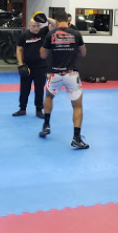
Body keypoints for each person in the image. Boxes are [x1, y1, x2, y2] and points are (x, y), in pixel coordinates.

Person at [39, 10, 89, 149]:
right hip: (71, 74)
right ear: (67, 20)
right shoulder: (76, 33)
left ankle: (46, 125)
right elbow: (83, 53)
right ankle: (76, 138)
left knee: (49, 96)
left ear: (56, 21)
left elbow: (42, 55)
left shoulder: (51, 34)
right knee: (77, 106)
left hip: (55, 73)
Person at [14, 14, 57, 118]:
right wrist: (20, 64)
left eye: (38, 25)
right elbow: (19, 49)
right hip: (27, 67)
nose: (36, 28)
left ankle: (39, 110)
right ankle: (22, 109)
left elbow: (56, 24)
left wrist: (44, 18)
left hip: (41, 66)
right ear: (29, 25)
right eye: (34, 26)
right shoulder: (24, 35)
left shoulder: (43, 32)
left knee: (39, 89)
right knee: (24, 89)